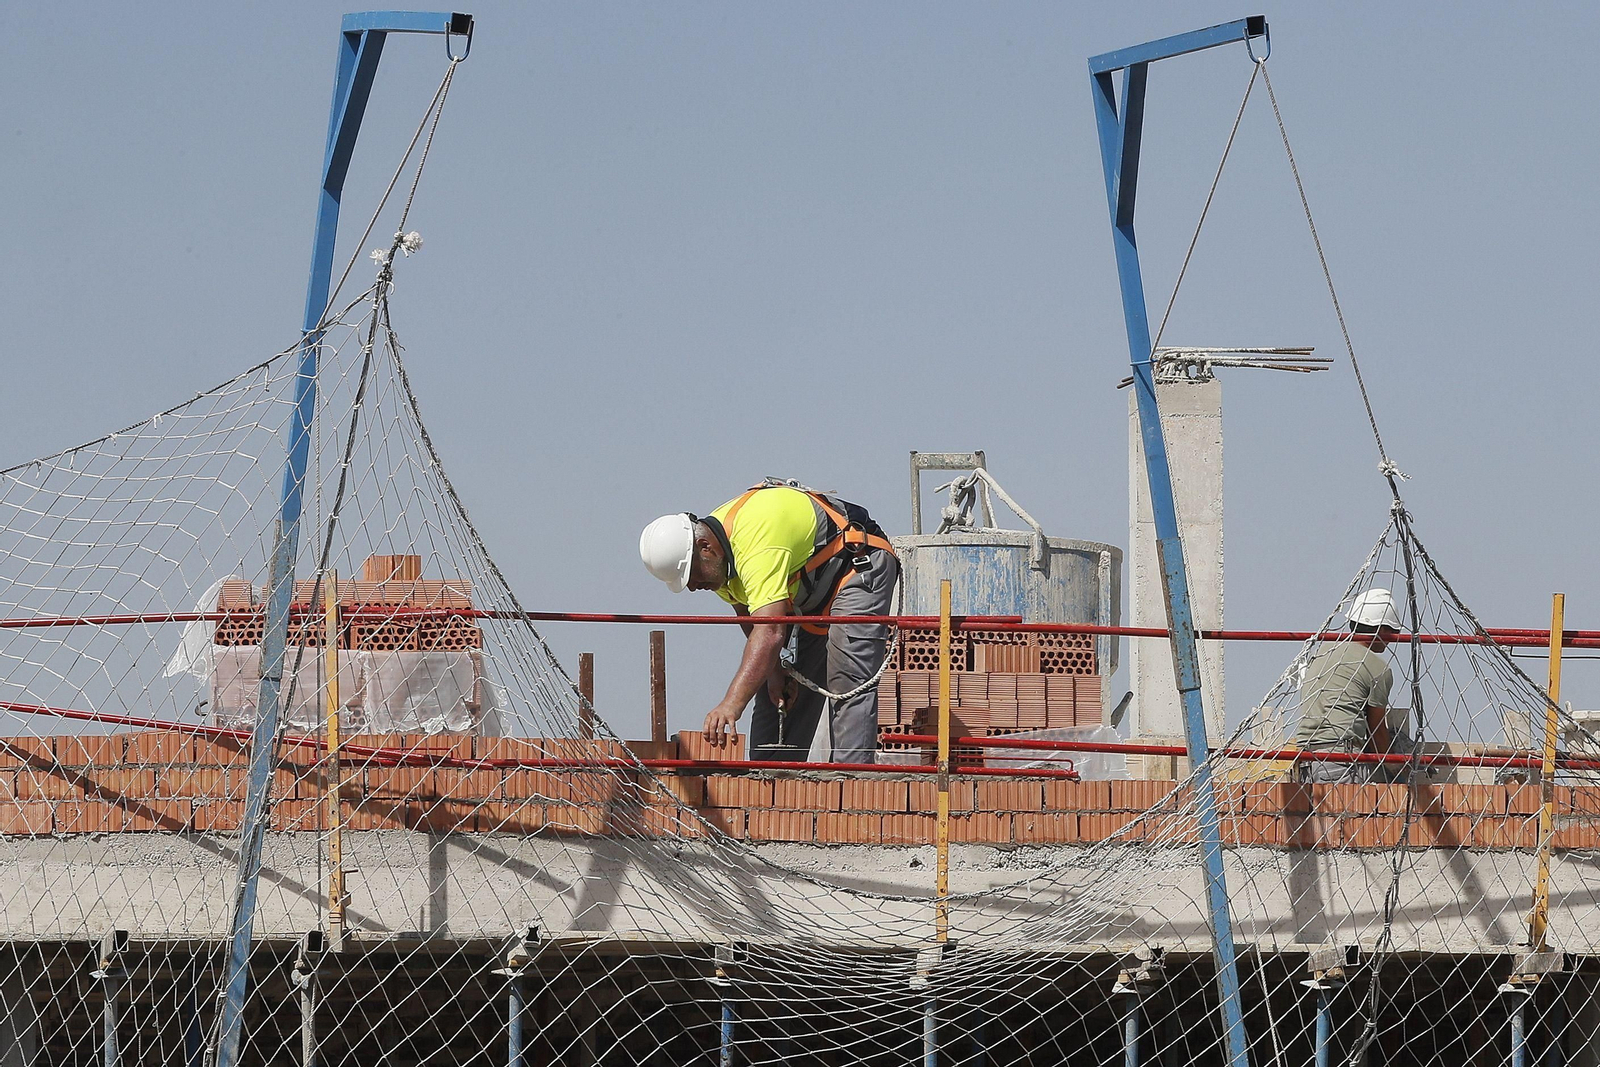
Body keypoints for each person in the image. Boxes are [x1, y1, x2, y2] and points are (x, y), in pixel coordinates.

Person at [639, 479, 898, 763]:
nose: (692, 587)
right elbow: (752, 621)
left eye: (692, 576)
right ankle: (772, 786)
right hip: (811, 590)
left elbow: (770, 633)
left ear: (705, 547)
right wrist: (775, 676)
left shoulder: (755, 543)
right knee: (776, 687)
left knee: (846, 676)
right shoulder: (720, 561)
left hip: (857, 564)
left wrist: (731, 704)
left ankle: (854, 787)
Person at [1292, 588, 1407, 783]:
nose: (1394, 639)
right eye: (1394, 631)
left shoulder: (1323, 653)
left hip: (1304, 762)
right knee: (1387, 802)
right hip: (1340, 763)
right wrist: (1400, 771)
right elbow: (1377, 734)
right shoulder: (1377, 667)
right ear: (1382, 629)